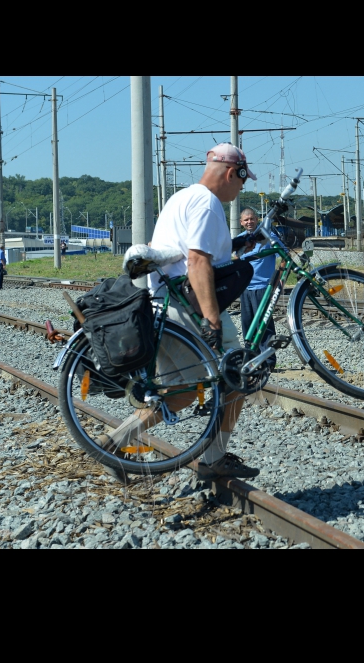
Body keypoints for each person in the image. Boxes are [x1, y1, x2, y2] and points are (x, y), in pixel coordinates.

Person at [107, 142, 259, 480]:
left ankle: (113, 443)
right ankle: (214, 460)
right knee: (239, 372)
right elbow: (197, 261)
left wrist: (235, 245)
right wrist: (212, 319)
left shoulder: (181, 197)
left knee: (181, 392)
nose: (242, 188)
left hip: (161, 308)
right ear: (233, 173)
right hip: (183, 309)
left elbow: (187, 252)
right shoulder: (207, 203)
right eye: (242, 180)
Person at [237, 207, 284, 370]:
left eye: (252, 219)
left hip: (263, 287)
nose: (249, 222)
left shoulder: (266, 237)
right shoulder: (240, 240)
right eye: (246, 220)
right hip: (245, 289)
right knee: (248, 325)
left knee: (264, 326)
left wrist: (279, 280)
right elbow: (236, 260)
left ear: (257, 219)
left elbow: (283, 256)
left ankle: (269, 362)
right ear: (241, 222)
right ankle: (252, 359)